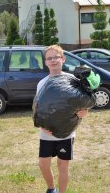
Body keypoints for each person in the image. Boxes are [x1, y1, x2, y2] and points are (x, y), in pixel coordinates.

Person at [36, 45, 88, 193]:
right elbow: (38, 108)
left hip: (66, 133)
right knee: (43, 164)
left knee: (63, 165)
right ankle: (51, 189)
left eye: (56, 57)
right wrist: (41, 126)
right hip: (46, 133)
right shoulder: (42, 83)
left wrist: (84, 112)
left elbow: (83, 102)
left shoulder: (72, 81)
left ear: (63, 59)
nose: (53, 61)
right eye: (49, 58)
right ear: (45, 62)